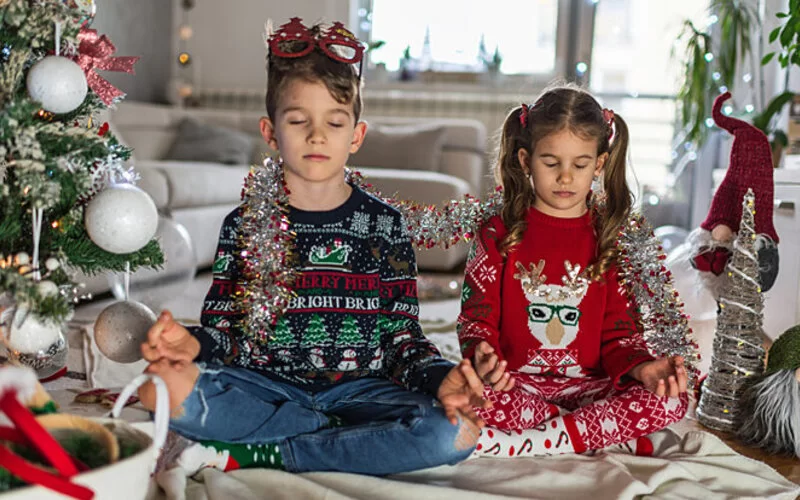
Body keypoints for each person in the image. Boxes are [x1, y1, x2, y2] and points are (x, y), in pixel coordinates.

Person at [137, 18, 487, 475]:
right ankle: (337, 438)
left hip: (362, 388)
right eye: (299, 120)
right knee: (157, 389)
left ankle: (274, 450)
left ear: (356, 136)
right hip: (265, 385)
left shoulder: (384, 224)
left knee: (457, 433)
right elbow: (226, 335)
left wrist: (442, 379)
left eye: (335, 122)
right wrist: (192, 344)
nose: (317, 135)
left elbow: (403, 341)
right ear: (270, 132)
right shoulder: (244, 225)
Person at [458, 86, 688, 458]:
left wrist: (642, 368)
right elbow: (476, 321)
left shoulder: (612, 237)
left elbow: (620, 336)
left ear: (598, 164)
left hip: (591, 388)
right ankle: (592, 433)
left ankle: (532, 441)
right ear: (525, 159)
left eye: (579, 165)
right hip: (517, 387)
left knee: (671, 402)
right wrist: (482, 358)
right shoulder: (496, 233)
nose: (565, 177)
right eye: (551, 163)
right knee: (464, 394)